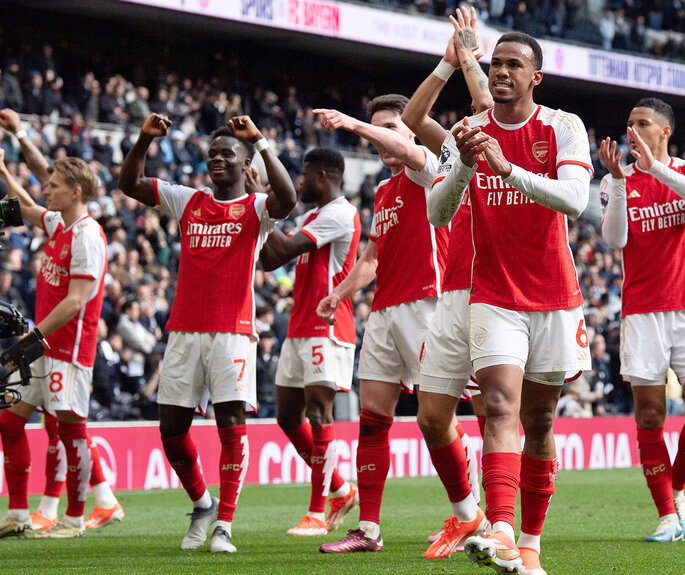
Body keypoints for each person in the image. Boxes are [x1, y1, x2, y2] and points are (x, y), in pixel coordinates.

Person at [429, 31, 593, 575]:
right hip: (493, 293)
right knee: (499, 405)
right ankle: (499, 528)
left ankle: (530, 544)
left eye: (512, 64)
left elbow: (574, 200)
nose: (500, 72)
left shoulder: (563, 126)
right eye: (494, 63)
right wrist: (467, 167)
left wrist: (507, 170)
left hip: (554, 293)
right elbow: (437, 213)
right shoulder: (469, 132)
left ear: (534, 77)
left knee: (540, 420)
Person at [118, 112, 296, 553]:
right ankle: (202, 503)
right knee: (171, 430)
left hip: (232, 332)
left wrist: (261, 141)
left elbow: (287, 198)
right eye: (212, 154)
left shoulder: (255, 208)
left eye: (227, 153)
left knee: (230, 424)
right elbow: (129, 183)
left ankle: (225, 525)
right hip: (183, 332)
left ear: (244, 164)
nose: (217, 159)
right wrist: (143, 139)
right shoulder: (187, 200)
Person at [314, 94, 448, 553]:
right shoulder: (386, 190)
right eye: (378, 129)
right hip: (386, 311)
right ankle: (368, 530)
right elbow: (371, 259)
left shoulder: (426, 167)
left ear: (411, 127)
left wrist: (352, 123)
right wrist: (339, 292)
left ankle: (472, 514)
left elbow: (409, 151)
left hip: (429, 306)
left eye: (392, 126)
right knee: (372, 421)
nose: (384, 137)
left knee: (442, 418)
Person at [599, 97, 685, 543]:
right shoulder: (618, 180)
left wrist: (657, 169)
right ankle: (668, 516)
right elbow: (614, 240)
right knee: (650, 417)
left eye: (643, 122)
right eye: (629, 122)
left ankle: (677, 486)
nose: (632, 129)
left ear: (665, 130)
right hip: (642, 313)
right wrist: (617, 178)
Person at [401, 7, 494, 560]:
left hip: (498, 292)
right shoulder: (457, 142)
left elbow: (485, 103)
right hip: (453, 292)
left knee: (498, 414)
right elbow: (414, 117)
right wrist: (445, 61)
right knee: (433, 416)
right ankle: (469, 515)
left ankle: (508, 525)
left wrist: (470, 57)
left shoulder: (509, 131)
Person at [0, 148, 123, 538]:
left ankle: (73, 518)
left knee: (71, 432)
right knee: (9, 420)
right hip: (43, 347)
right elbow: (25, 207)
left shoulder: (88, 237)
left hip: (68, 351)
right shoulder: (59, 225)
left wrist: (32, 336)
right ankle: (18, 514)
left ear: (74, 191)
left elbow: (75, 301)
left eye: (52, 186)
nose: (45, 191)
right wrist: (2, 169)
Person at [258, 147, 360, 537]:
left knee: (319, 415)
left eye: (302, 175)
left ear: (322, 175)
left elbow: (283, 247)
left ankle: (317, 512)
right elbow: (270, 261)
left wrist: (263, 211)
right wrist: (261, 214)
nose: (298, 183)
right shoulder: (311, 216)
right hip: (299, 328)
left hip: (327, 325)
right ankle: (339, 487)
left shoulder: (340, 213)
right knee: (287, 417)